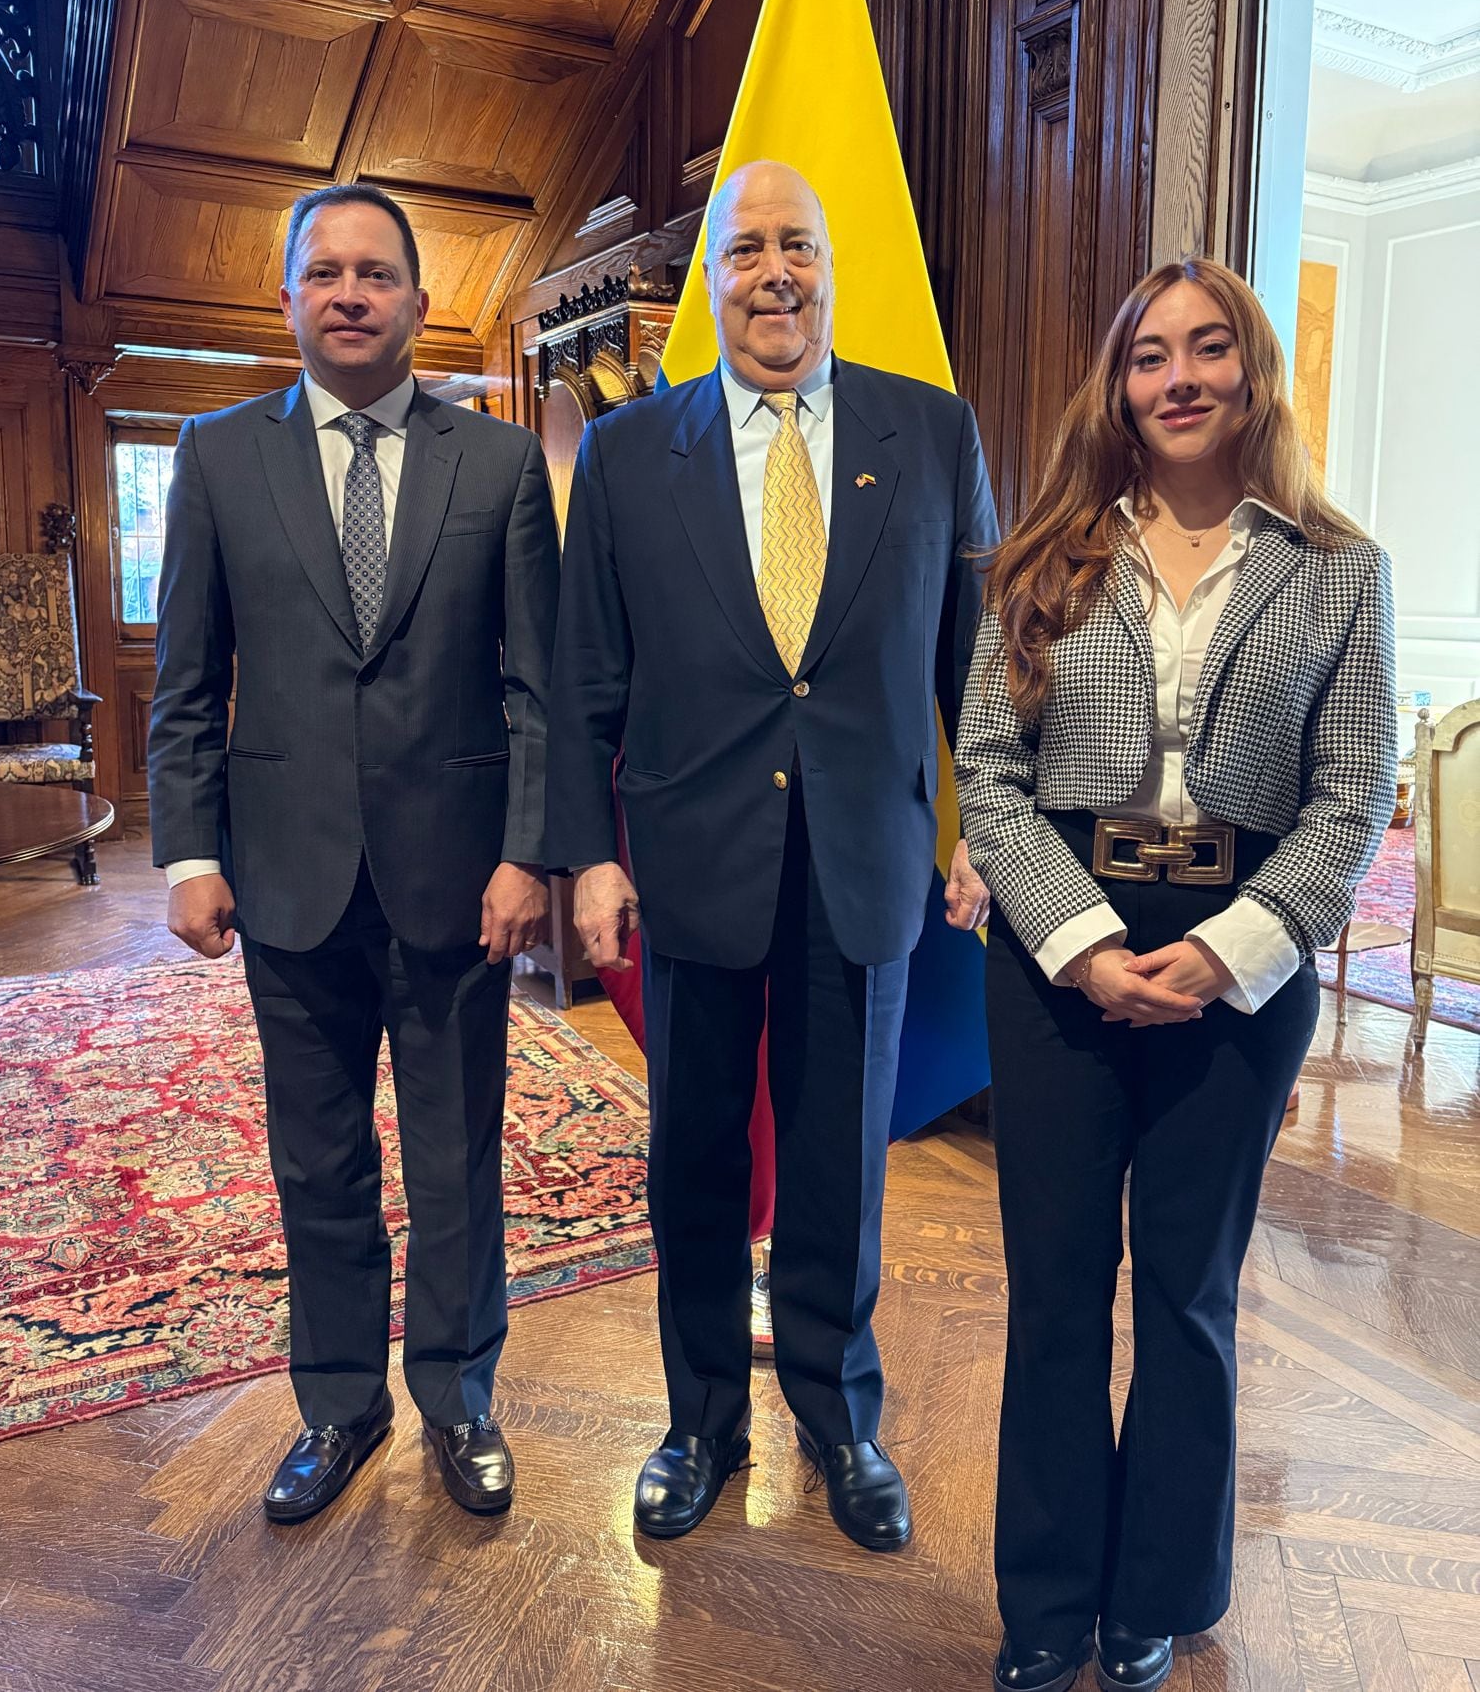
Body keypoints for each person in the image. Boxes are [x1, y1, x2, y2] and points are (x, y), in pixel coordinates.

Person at [955, 259, 1397, 1692]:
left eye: (1211, 350)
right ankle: (1045, 1598)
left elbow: (1348, 801)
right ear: (1120, 384)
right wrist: (1085, 949)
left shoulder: (1340, 570)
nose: (1182, 377)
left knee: (1191, 1296)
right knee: (1058, 1288)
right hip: (1055, 956)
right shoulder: (1040, 560)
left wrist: (1224, 954)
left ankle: (1156, 1592)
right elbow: (991, 778)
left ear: (1252, 373)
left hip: (1241, 964)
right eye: (1152, 356)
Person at [547, 159, 999, 1551]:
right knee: (691, 1156)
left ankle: (838, 1413)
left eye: (798, 244)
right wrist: (585, 857)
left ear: (831, 266)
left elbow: (972, 668)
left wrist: (981, 827)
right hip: (689, 862)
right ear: (713, 281)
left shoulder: (931, 433)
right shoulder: (632, 454)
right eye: (746, 251)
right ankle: (697, 1422)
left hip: (865, 861)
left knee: (841, 1165)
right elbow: (584, 680)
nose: (775, 274)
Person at [149, 183, 558, 1524]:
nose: (348, 293)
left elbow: (535, 688)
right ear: (287, 298)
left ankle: (457, 1396)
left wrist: (528, 853)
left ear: (418, 305)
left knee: (455, 1161)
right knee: (316, 1162)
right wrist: (186, 853)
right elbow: (189, 684)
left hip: (458, 880)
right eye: (322, 272)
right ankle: (337, 1403)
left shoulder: (494, 464)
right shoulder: (216, 458)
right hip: (287, 876)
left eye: (375, 273)